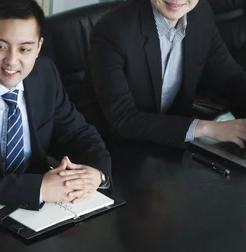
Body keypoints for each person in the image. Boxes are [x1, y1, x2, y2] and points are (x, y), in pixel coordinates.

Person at [0, 0, 111, 211]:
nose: (12, 61)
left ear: (38, 47)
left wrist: (97, 173)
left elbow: (78, 133)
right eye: (1, 47)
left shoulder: (44, 74)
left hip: (36, 210)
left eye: (24, 49)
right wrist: (39, 189)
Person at [88, 0, 246, 148]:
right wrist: (206, 128)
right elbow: (124, 120)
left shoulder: (201, 13)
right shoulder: (113, 31)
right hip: (117, 149)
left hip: (172, 143)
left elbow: (229, 76)